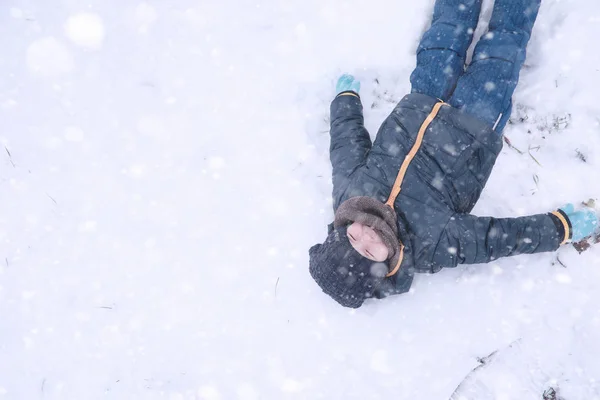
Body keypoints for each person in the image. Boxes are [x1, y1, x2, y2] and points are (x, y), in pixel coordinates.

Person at [308, 0, 599, 308]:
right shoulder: (432, 244)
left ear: (340, 231)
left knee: (446, 30)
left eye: (352, 238)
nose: (367, 236)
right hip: (476, 125)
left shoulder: (350, 198)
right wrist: (560, 227)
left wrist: (344, 101)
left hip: (422, 97)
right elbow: (496, 239)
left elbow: (344, 144)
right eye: (369, 252)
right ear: (382, 268)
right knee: (504, 43)